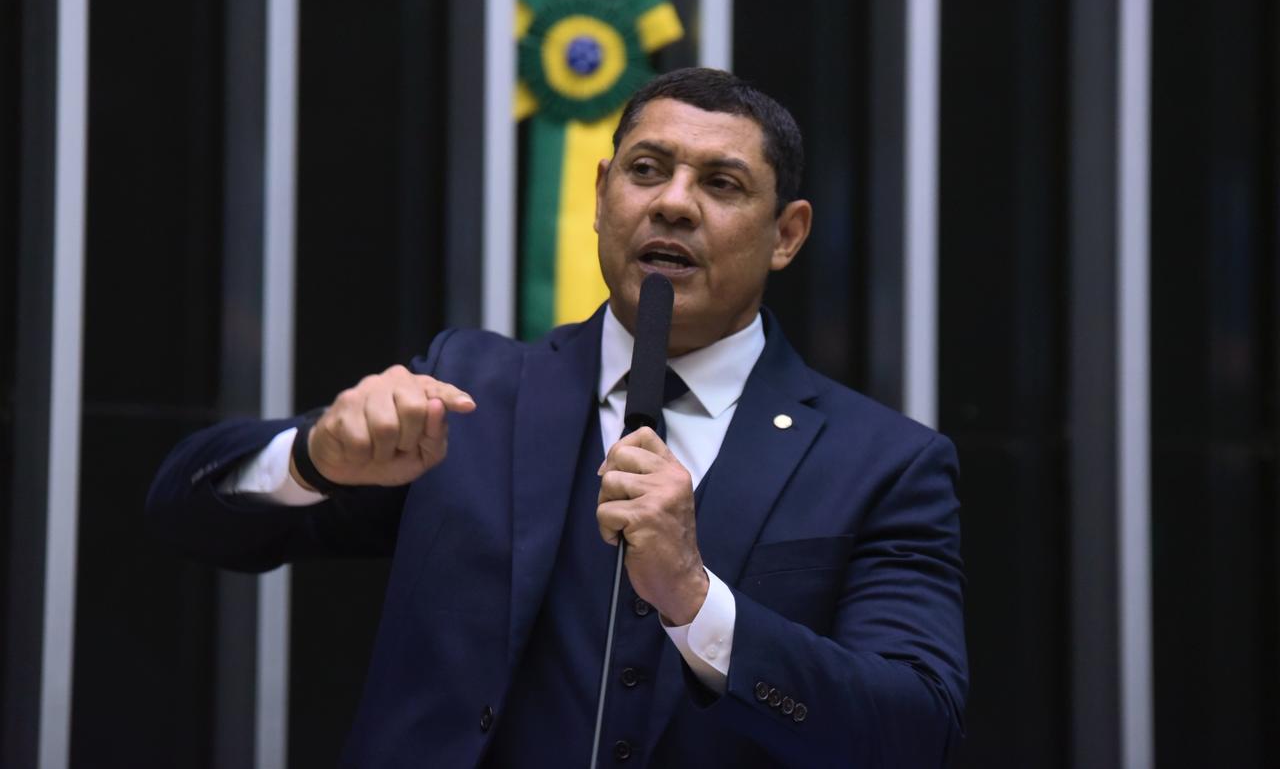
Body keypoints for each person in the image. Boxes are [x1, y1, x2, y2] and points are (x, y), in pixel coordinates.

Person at [147, 67, 967, 767]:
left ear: (787, 234)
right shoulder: (469, 393)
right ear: (601, 194)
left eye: (721, 184)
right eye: (646, 170)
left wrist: (697, 601)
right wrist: (312, 459)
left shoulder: (882, 464)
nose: (674, 204)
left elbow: (915, 730)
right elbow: (186, 515)